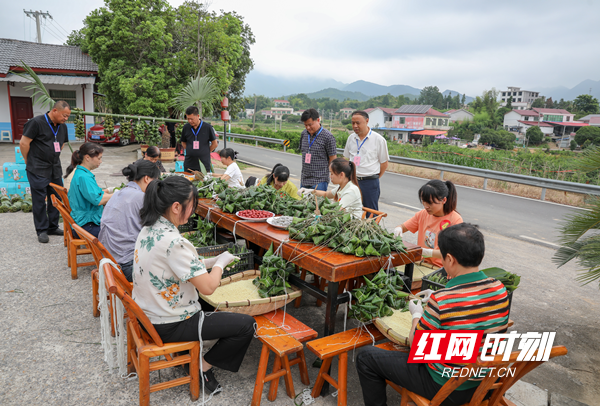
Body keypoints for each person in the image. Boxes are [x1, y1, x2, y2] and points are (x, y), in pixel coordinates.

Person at [356, 223, 510, 406]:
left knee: (365, 357)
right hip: (485, 384)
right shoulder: (499, 289)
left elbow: (416, 345)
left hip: (447, 387)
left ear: (450, 260)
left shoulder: (442, 300)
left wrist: (416, 315)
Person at [132, 176, 254, 393]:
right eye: (192, 206)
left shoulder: (149, 228)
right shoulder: (174, 241)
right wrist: (221, 264)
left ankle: (192, 358)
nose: (193, 211)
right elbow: (208, 287)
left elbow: (180, 265)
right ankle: (202, 367)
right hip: (170, 323)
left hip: (148, 315)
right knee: (246, 325)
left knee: (215, 308)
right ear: (176, 206)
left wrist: (210, 262)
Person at [98, 160, 160, 282]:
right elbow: (157, 231)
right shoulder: (141, 197)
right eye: (156, 182)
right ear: (147, 179)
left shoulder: (118, 193)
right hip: (126, 266)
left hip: (109, 260)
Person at [19, 100, 71, 243]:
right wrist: (27, 160)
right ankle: (41, 229)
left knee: (56, 198)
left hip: (54, 168)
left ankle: (53, 226)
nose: (65, 119)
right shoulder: (36, 123)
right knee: (39, 200)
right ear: (54, 111)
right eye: (64, 115)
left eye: (67, 116)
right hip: (37, 168)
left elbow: (62, 144)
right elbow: (24, 143)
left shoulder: (62, 127)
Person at [393, 180, 462, 268]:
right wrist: (398, 229)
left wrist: (426, 252)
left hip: (441, 268)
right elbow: (403, 227)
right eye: (423, 201)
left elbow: (451, 253)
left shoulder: (455, 220)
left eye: (430, 203)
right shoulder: (422, 214)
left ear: (444, 200)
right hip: (421, 263)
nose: (426, 206)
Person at [343, 110, 389, 212]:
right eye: (353, 123)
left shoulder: (378, 140)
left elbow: (384, 164)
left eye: (358, 123)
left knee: (370, 212)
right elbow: (346, 159)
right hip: (352, 181)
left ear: (367, 121)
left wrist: (373, 177)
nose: (355, 126)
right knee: (351, 210)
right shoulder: (351, 138)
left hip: (370, 183)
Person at [67, 143, 114, 237]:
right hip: (86, 226)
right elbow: (98, 200)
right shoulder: (83, 177)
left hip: (82, 224)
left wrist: (110, 192)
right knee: (123, 233)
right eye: (99, 158)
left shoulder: (82, 173)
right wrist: (119, 194)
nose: (100, 161)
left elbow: (96, 194)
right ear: (87, 157)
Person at [299, 108, 337, 192]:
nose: (308, 127)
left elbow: (333, 158)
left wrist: (331, 174)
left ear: (318, 120)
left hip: (319, 181)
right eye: (305, 125)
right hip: (304, 179)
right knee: (303, 204)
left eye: (310, 124)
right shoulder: (304, 134)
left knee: (317, 204)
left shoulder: (328, 137)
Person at [180, 106, 218, 173]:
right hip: (189, 163)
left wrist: (205, 151)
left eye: (192, 119)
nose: (190, 121)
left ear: (198, 116)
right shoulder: (186, 127)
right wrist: (190, 149)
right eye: (188, 119)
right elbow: (183, 142)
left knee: (203, 182)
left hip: (203, 164)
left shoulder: (207, 127)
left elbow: (214, 144)